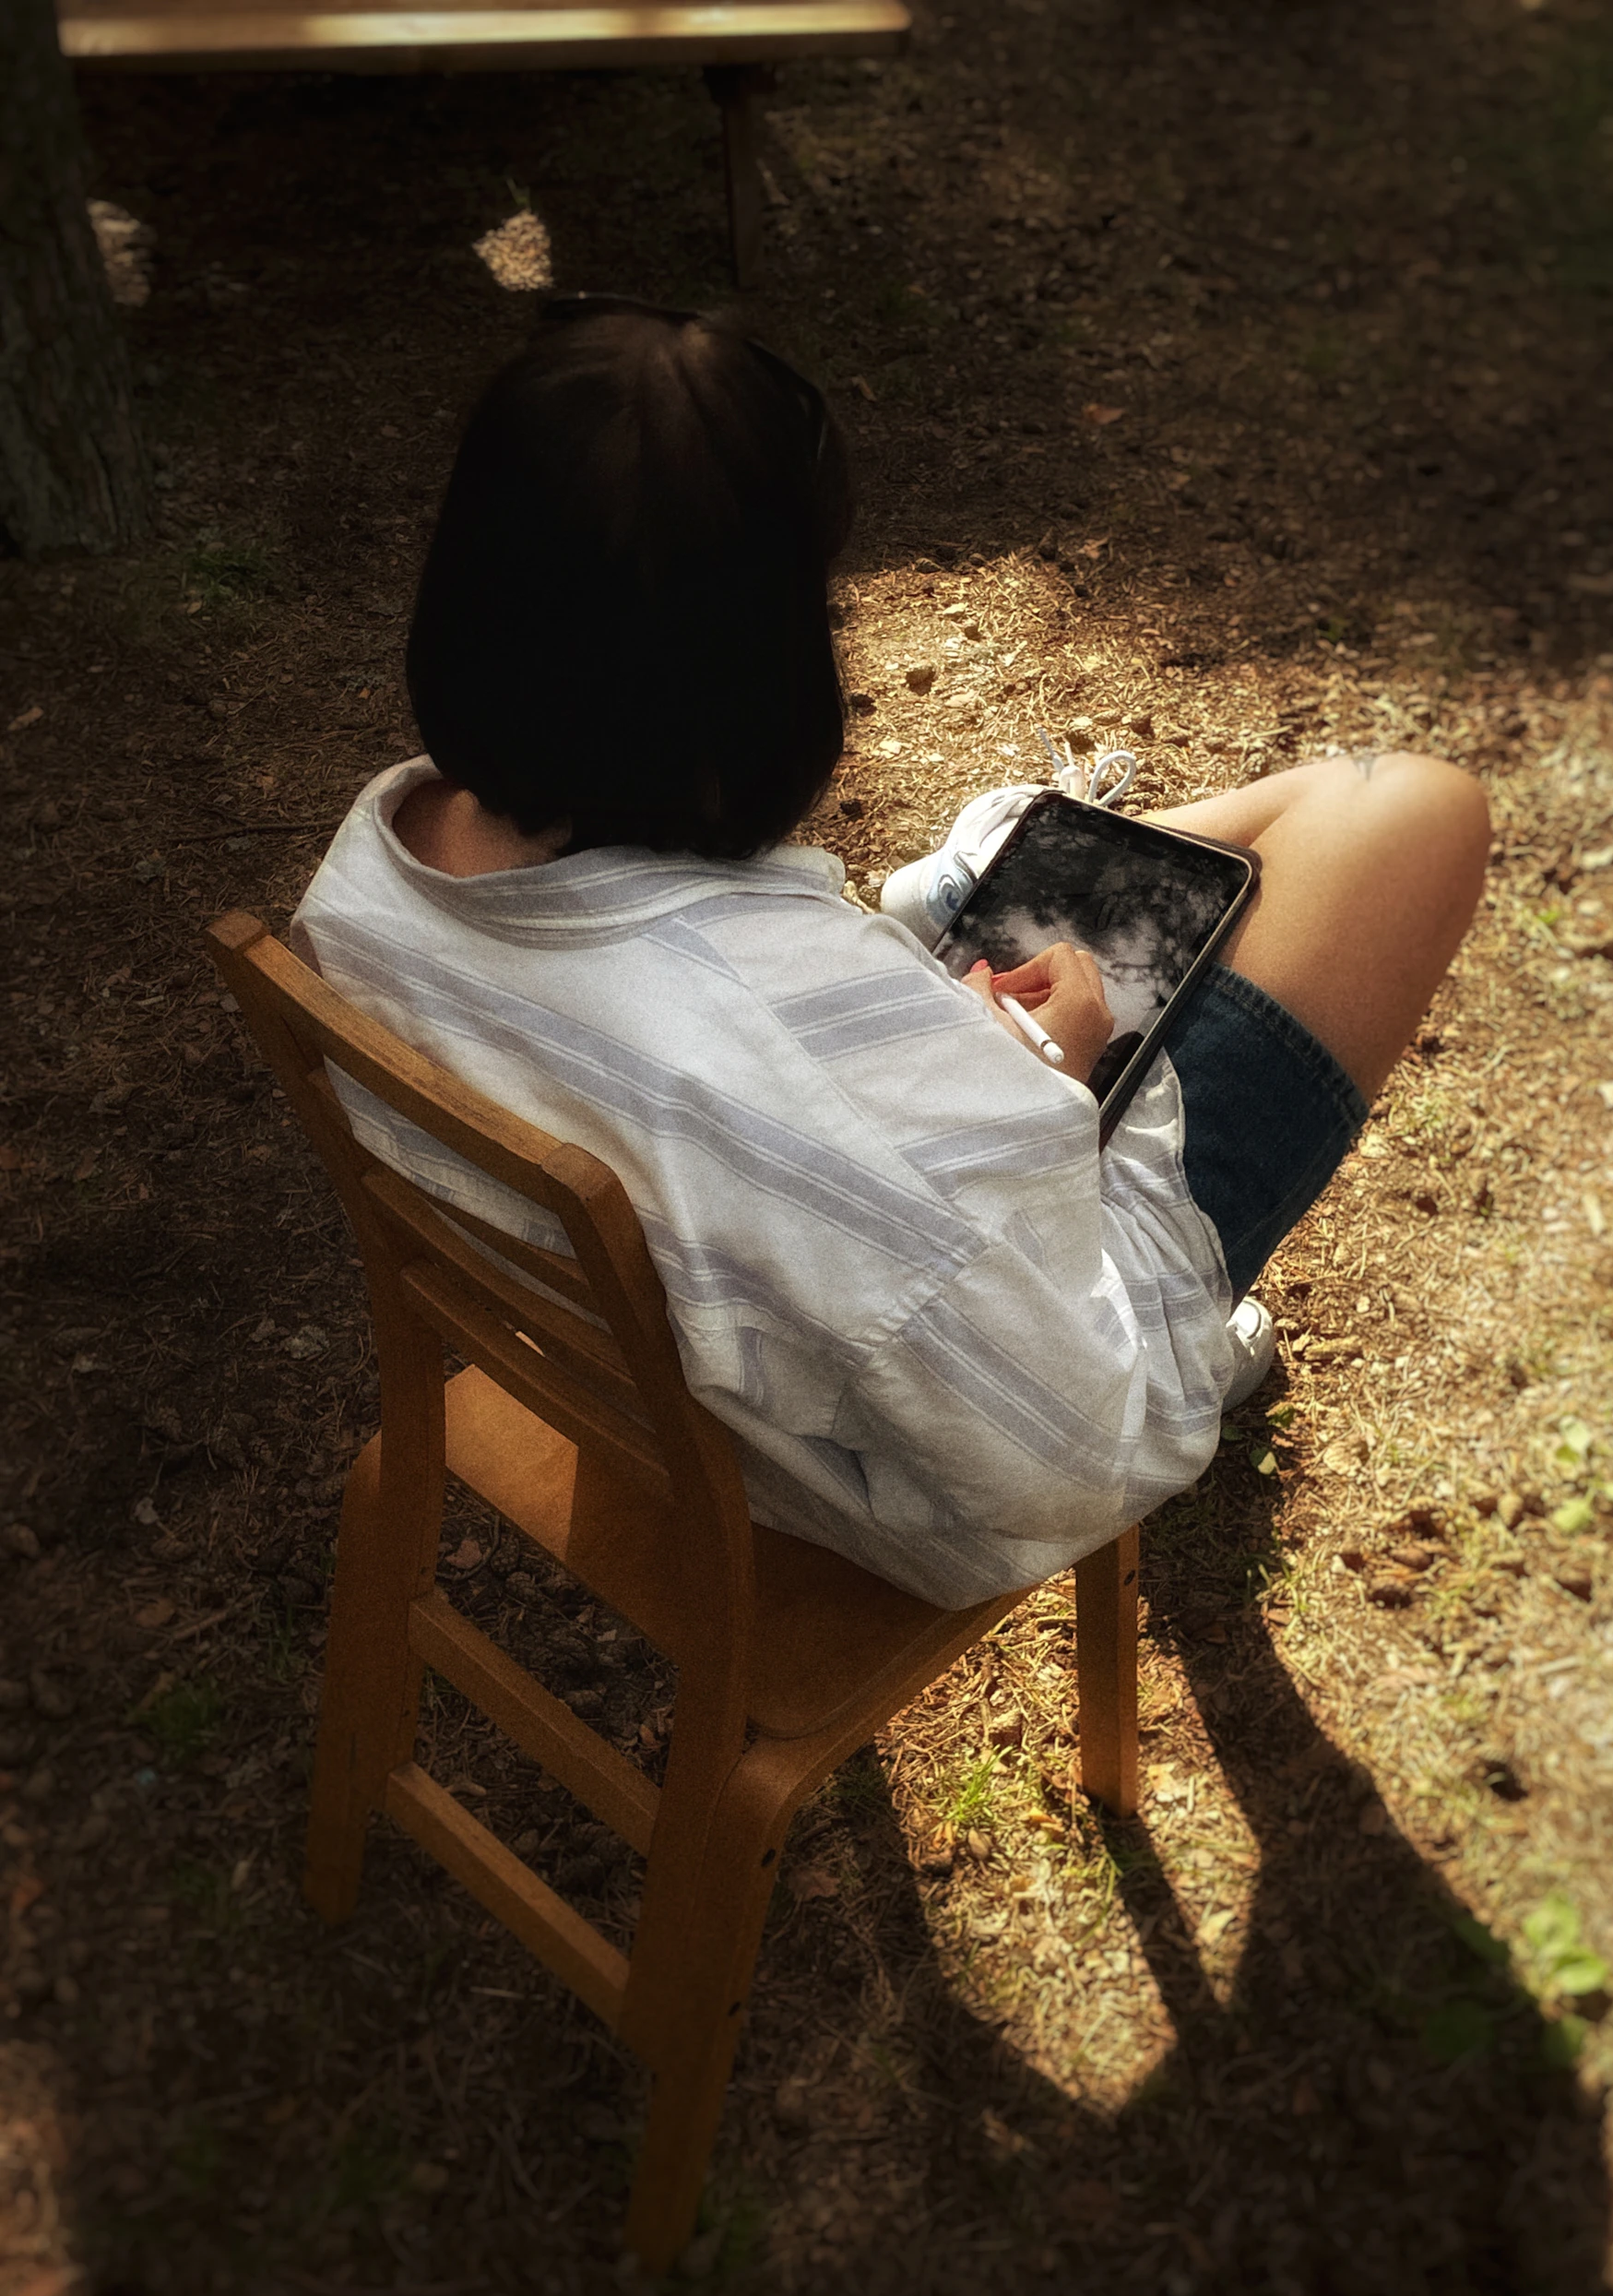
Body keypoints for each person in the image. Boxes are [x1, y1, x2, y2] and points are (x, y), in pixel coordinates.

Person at [292, 297, 1488, 1613]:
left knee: (1200, 852)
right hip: (861, 1482)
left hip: (671, 1321)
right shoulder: (823, 1071)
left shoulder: (365, 877)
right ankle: (989, 892)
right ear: (761, 677)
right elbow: (1077, 1459)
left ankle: (980, 883)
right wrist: (1062, 1092)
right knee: (1409, 816)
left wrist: (916, 1032)